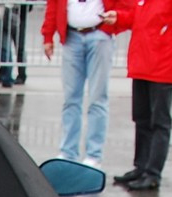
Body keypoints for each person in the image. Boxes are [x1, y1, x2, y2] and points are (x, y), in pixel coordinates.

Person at [111, 0, 172, 191]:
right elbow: (137, 18)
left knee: (159, 123)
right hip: (142, 66)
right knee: (141, 119)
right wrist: (118, 17)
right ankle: (141, 166)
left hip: (163, 68)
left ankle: (152, 173)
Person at [42, 0, 122, 167]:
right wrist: (48, 35)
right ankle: (68, 151)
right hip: (72, 37)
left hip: (99, 33)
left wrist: (118, 18)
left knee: (97, 98)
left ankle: (94, 154)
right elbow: (54, 4)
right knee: (71, 98)